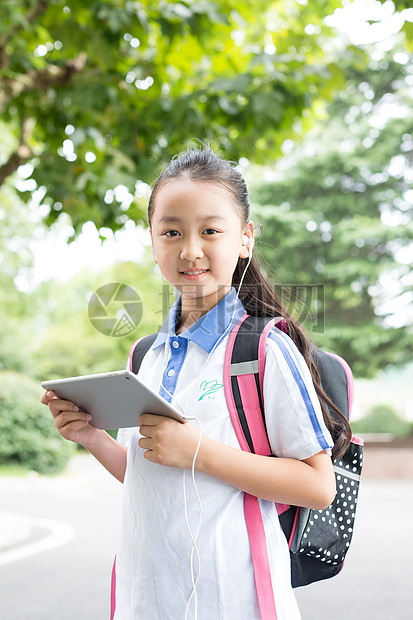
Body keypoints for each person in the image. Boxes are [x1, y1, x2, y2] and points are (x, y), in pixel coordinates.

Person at [41, 146, 351, 620]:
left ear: (244, 239)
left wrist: (197, 451)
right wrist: (89, 437)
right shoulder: (147, 354)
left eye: (210, 230)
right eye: (171, 231)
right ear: (152, 241)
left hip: (235, 601)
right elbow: (150, 473)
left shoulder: (264, 350)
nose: (190, 249)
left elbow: (317, 485)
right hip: (144, 599)